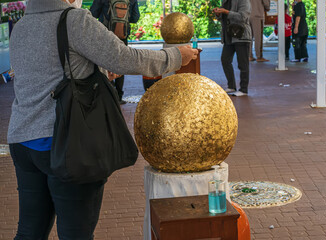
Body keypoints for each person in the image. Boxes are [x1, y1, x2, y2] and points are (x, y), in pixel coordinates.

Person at [7, 0, 198, 239]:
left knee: (29, 231)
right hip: (67, 143)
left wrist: (96, 68)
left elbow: (48, 70)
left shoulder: (22, 25)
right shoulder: (74, 20)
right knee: (76, 234)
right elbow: (125, 58)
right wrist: (175, 56)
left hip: (23, 142)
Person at [90, 0, 140, 104]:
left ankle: (108, 94)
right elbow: (135, 18)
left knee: (105, 63)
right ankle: (119, 96)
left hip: (105, 35)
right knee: (120, 63)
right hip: (122, 36)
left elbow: (93, 13)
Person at [213, 0, 252, 97]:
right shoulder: (225, 1)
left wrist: (226, 12)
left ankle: (243, 89)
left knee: (243, 64)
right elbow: (224, 18)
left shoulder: (244, 1)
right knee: (225, 60)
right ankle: (231, 86)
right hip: (229, 36)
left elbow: (243, 17)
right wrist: (219, 14)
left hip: (241, 35)